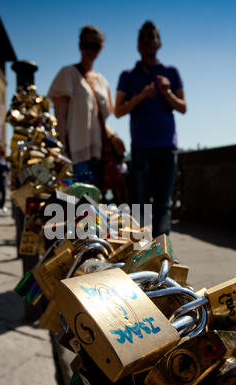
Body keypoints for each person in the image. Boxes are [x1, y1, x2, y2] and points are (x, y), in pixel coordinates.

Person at [115, 21, 187, 237]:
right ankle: (141, 258)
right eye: (143, 37)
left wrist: (167, 93)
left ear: (159, 42)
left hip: (166, 148)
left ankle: (163, 257)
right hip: (141, 149)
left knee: (163, 206)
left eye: (151, 36)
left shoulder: (171, 73)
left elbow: (183, 107)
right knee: (141, 207)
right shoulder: (128, 75)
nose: (147, 41)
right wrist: (140, 96)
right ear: (138, 45)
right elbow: (117, 110)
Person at [47, 24, 125, 188]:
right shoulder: (68, 74)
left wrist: (113, 137)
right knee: (77, 207)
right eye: (85, 44)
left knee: (94, 207)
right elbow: (60, 115)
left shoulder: (102, 81)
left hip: (99, 154)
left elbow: (100, 119)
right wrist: (62, 150)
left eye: (94, 46)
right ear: (79, 46)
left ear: (101, 48)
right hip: (75, 153)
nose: (90, 50)